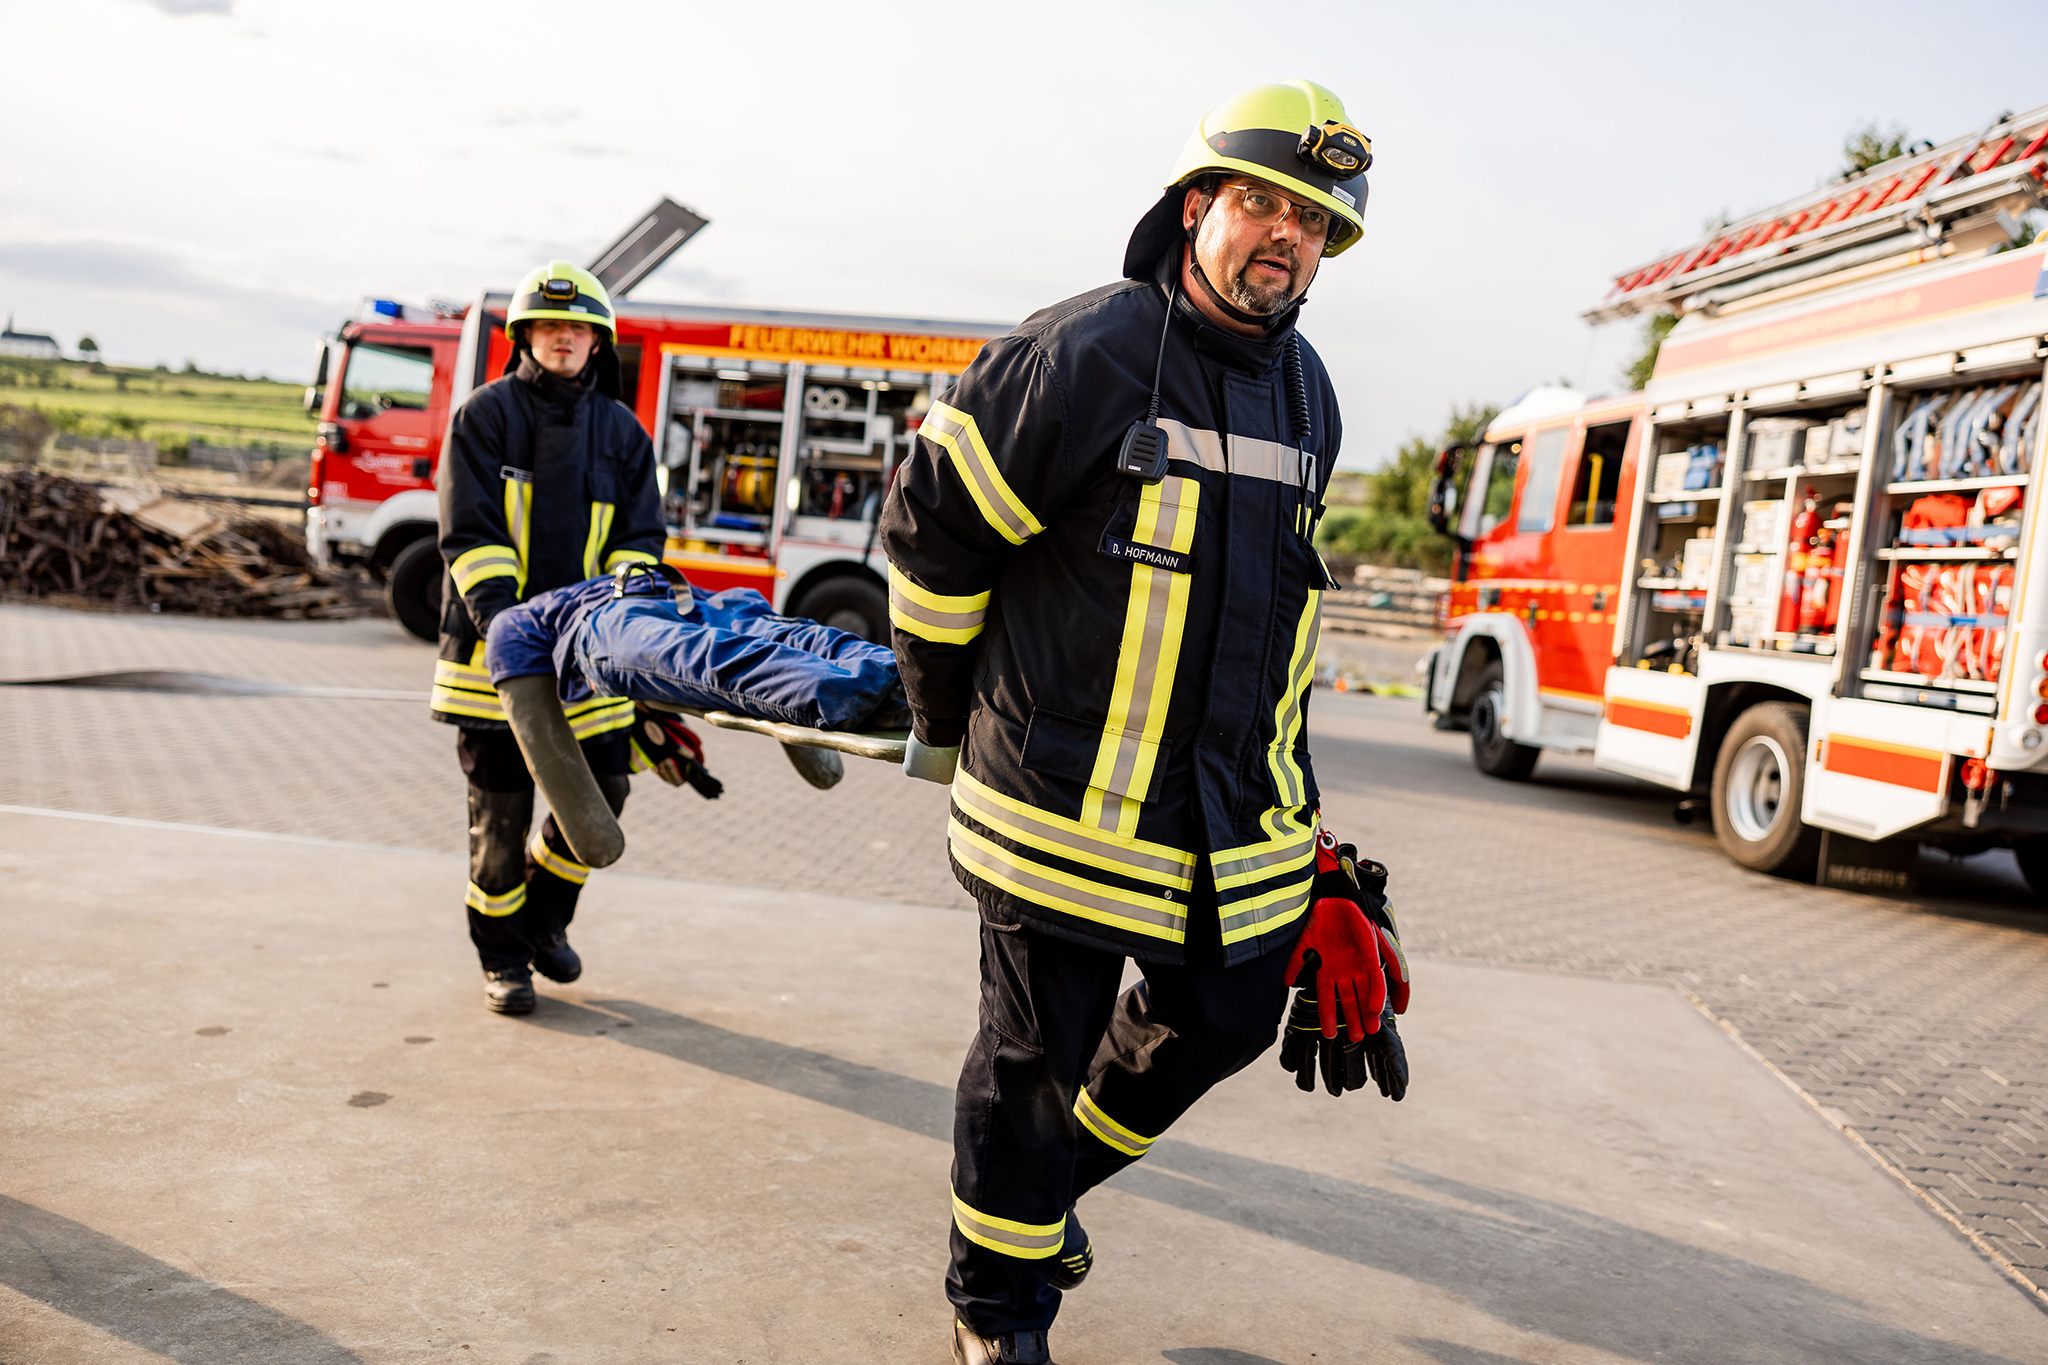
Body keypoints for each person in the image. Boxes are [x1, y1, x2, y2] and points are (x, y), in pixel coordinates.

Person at [880, 81, 1410, 1364]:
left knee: (1224, 1017)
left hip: (1219, 826)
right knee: (1028, 1061)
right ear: (1192, 208)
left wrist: (1313, 847)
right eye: (1257, 203)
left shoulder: (1309, 398)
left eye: (1313, 221)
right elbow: (931, 545)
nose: (1283, 235)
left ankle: (1034, 1199)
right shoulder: (1081, 353)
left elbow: (1275, 635)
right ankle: (994, 1317)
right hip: (1049, 808)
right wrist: (949, 724)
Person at [431, 261, 664, 1016]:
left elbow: (639, 543)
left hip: (590, 670)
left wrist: (620, 628)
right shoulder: (484, 418)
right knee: (500, 824)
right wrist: (508, 627)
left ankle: (541, 920)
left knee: (604, 798)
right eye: (549, 326)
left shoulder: (624, 435)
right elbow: (470, 536)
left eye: (578, 328)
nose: (563, 338)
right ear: (524, 335)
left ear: (597, 343)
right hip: (494, 665)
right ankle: (503, 960)